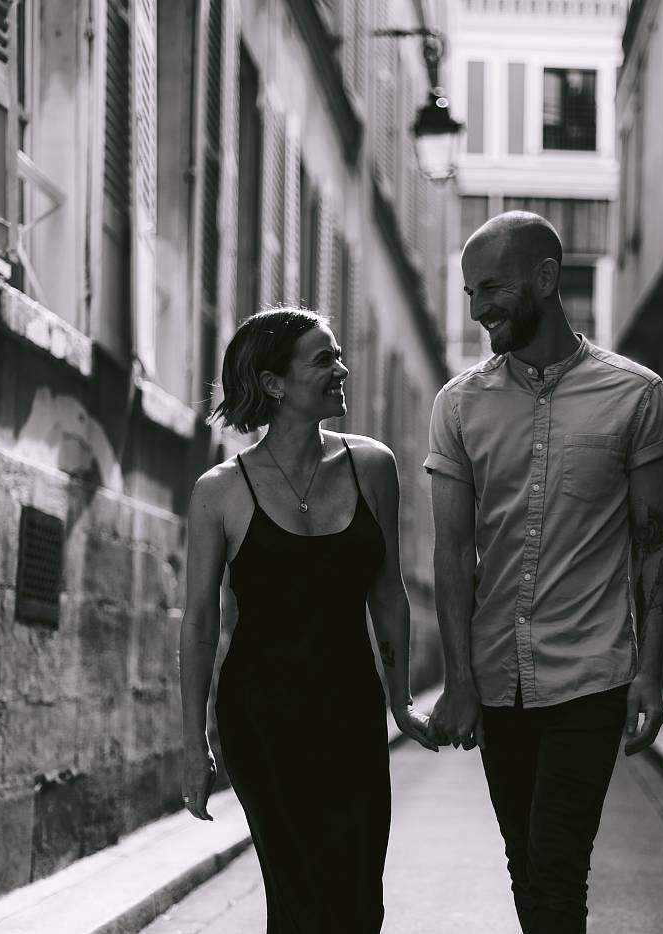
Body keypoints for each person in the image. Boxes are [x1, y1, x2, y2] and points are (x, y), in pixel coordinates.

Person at [424, 211, 663, 933]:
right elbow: (451, 553)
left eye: (493, 289)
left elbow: (656, 543)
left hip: (589, 676)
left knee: (558, 863)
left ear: (545, 277)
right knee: (525, 863)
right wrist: (461, 681)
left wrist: (650, 672)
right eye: (471, 294)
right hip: (499, 677)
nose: (479, 311)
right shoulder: (459, 405)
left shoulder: (636, 397)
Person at [178, 307, 437, 933]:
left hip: (350, 712)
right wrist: (194, 743)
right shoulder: (220, 491)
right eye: (324, 359)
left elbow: (389, 594)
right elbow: (199, 625)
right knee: (299, 898)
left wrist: (400, 704)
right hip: (261, 721)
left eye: (339, 355)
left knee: (356, 901)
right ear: (273, 384)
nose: (342, 368)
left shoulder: (371, 466)